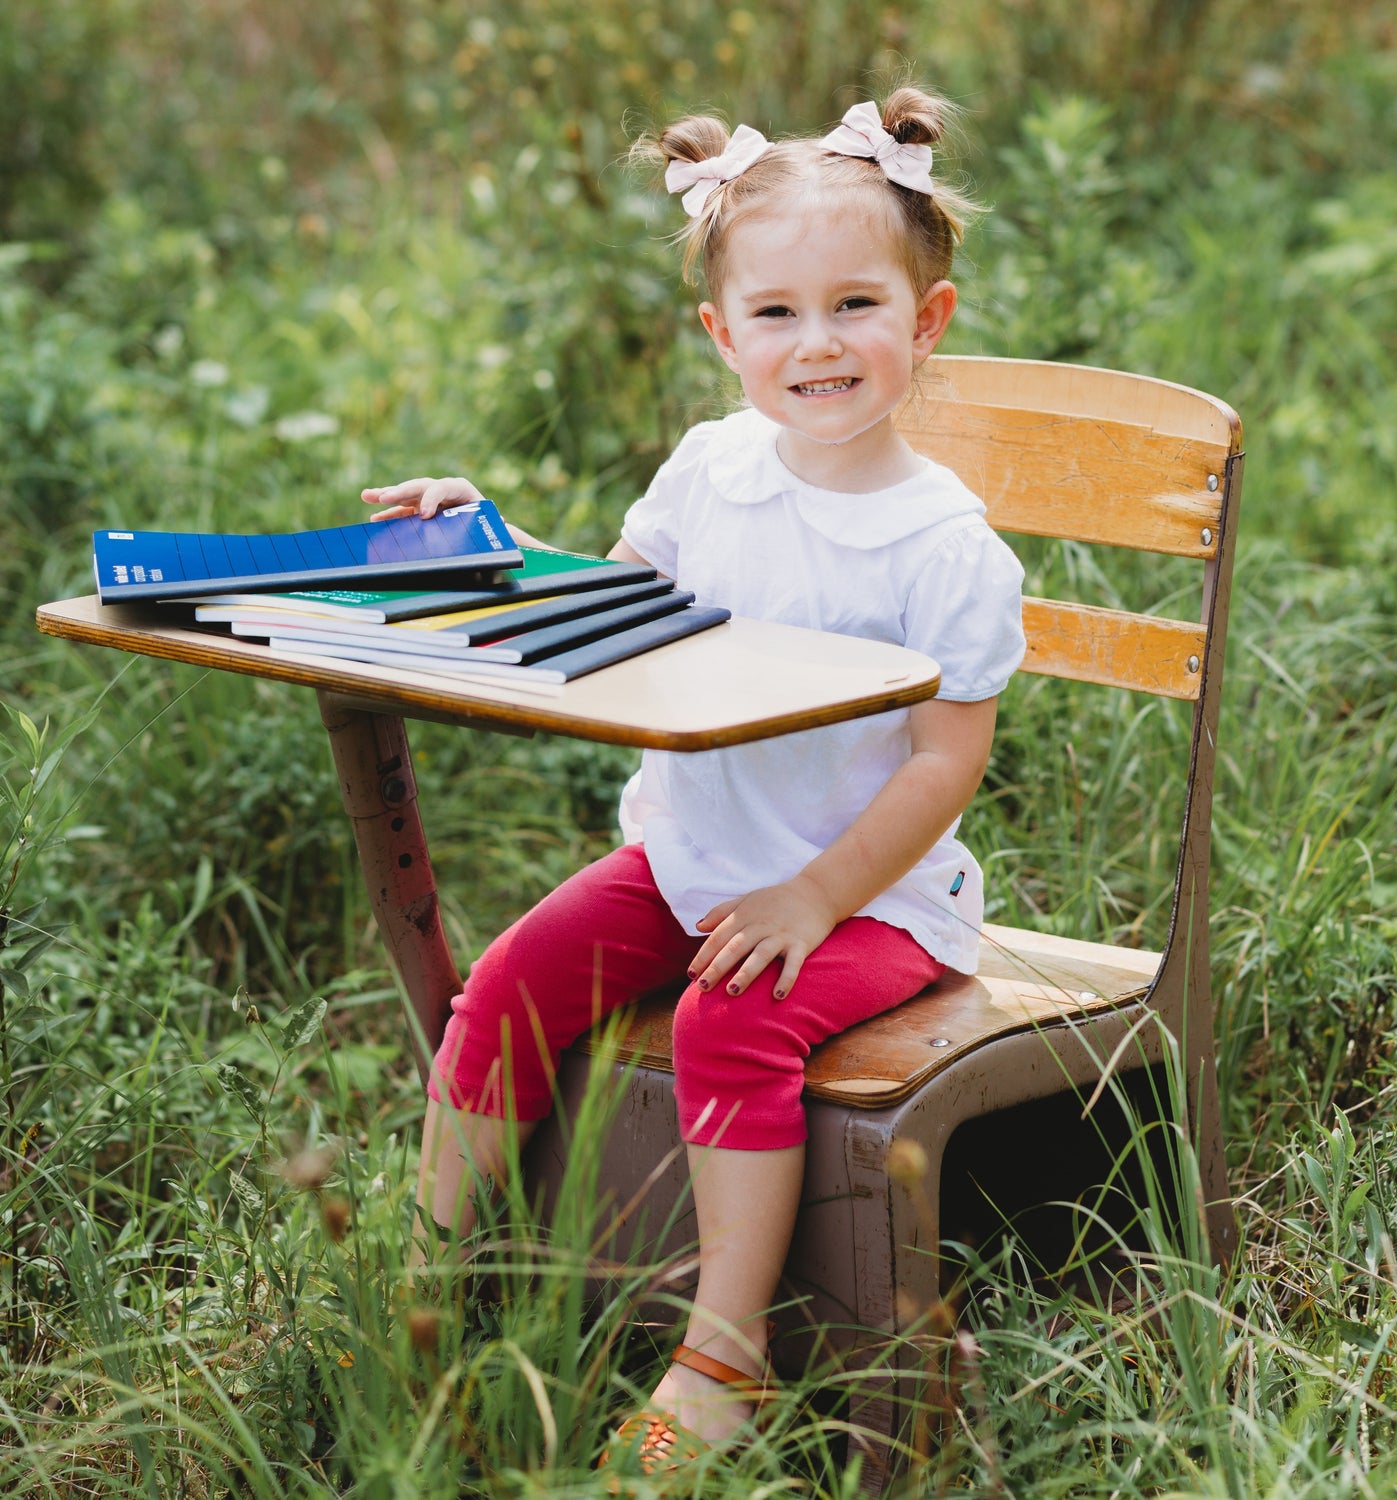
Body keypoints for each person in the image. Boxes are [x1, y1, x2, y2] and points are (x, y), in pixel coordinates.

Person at [362, 85, 1025, 1471]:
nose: (817, 342)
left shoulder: (945, 547)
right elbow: (612, 602)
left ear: (927, 320)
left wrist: (813, 898)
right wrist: (490, 544)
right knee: (507, 986)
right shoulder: (712, 468)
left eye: (855, 305)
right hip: (694, 862)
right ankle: (424, 1296)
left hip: (873, 898)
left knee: (733, 1020)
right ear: (725, 335)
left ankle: (724, 1358)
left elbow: (944, 763)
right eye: (777, 312)